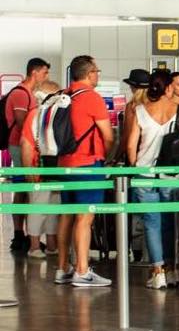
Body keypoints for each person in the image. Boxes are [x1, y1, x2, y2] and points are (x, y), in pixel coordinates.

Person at [127, 70, 179, 289]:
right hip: (172, 174)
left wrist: (134, 166)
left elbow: (131, 145)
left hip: (144, 174)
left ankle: (157, 271)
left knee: (151, 223)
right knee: (169, 222)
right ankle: (171, 270)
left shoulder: (139, 110)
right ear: (169, 88)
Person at [55, 55, 115, 287]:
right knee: (85, 217)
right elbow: (108, 136)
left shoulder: (63, 95)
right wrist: (107, 157)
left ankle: (62, 268)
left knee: (67, 215)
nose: (98, 75)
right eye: (97, 71)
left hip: (64, 163)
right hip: (87, 163)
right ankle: (82, 270)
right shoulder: (92, 98)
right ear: (90, 74)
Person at [3, 57, 51, 253]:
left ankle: (23, 235)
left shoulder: (27, 93)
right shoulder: (22, 94)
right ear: (35, 72)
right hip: (20, 146)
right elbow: (25, 126)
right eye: (44, 72)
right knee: (27, 189)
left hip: (21, 145)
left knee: (23, 189)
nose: (46, 76)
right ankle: (23, 236)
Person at [18, 79, 61, 259]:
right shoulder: (35, 114)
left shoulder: (51, 114)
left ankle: (51, 244)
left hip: (52, 168)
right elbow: (26, 144)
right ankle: (34, 245)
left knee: (53, 208)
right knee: (38, 207)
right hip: (40, 168)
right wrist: (29, 170)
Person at [117, 68, 150, 162]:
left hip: (136, 154)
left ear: (133, 87)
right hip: (154, 156)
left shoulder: (132, 107)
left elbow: (127, 136)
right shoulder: (156, 105)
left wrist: (116, 157)